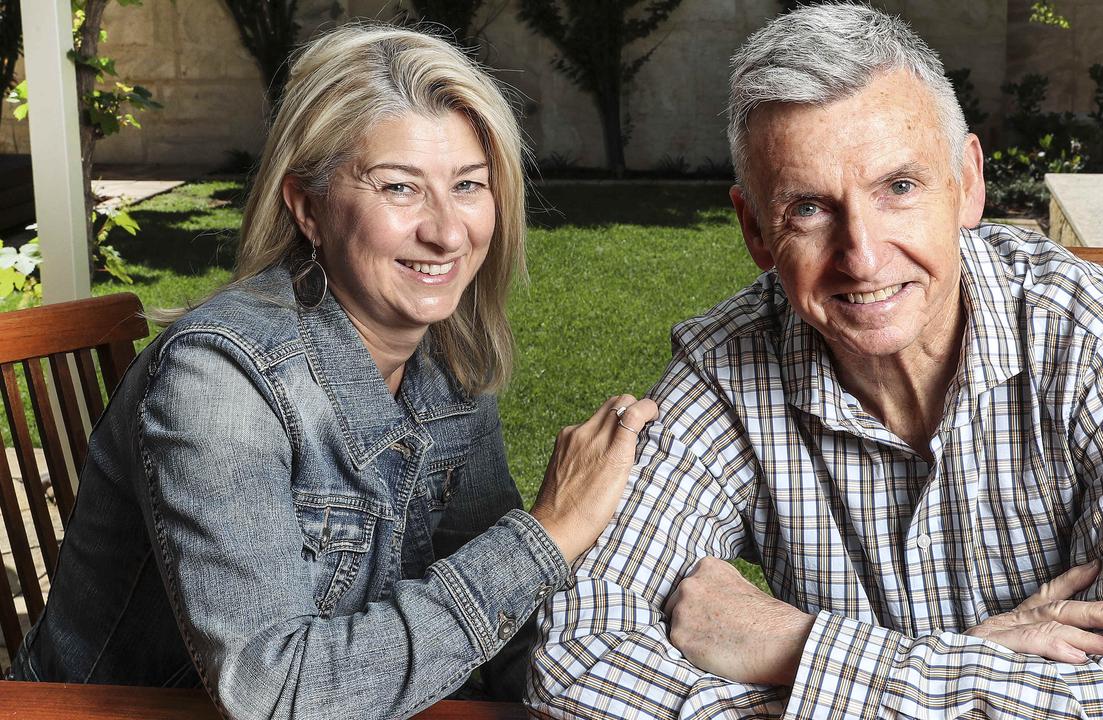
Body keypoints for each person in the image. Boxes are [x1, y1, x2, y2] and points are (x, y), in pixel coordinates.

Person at [529, 4, 1103, 719]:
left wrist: (796, 647)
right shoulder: (725, 369)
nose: (861, 255)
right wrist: (970, 658)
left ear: (968, 183)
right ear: (756, 231)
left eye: (899, 188)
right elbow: (577, 661)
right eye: (809, 210)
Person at [11, 24, 657, 719]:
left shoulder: (446, 366)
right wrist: (547, 536)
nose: (447, 231)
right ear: (308, 206)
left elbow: (502, 644)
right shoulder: (218, 381)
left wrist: (656, 658)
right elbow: (274, 692)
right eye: (400, 188)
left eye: (468, 185)